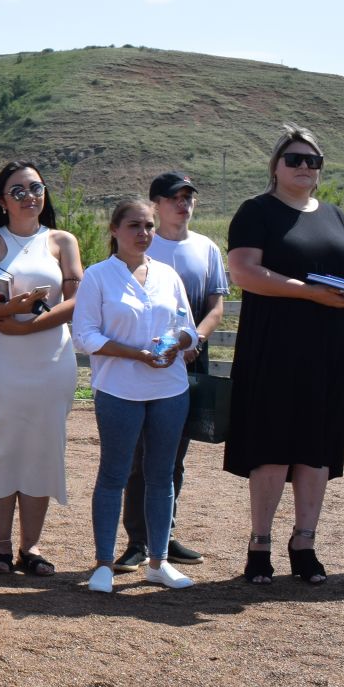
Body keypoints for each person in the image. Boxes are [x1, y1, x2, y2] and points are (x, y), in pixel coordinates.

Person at [224, 125, 344, 586]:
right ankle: (260, 544)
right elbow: (245, 271)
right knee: (271, 446)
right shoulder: (257, 211)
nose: (305, 167)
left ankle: (305, 542)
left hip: (328, 347)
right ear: (276, 165)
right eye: (295, 159)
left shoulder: (336, 215)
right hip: (274, 346)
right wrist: (310, 293)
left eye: (313, 160)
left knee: (317, 444)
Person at [0, 162, 82, 577]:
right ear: (1, 201)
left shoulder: (62, 241)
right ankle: (1, 547)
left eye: (36, 187)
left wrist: (30, 325)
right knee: (2, 450)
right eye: (19, 190)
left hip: (51, 362)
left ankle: (33, 545)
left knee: (44, 450)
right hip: (1, 365)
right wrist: (8, 312)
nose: (30, 196)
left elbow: (78, 299)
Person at [73, 199, 199, 593]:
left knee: (162, 476)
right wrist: (135, 354)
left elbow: (189, 328)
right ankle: (103, 564)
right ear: (114, 230)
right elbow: (85, 335)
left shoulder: (167, 274)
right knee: (115, 474)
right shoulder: (98, 276)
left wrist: (177, 343)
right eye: (134, 226)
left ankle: (158, 562)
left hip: (168, 388)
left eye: (148, 226)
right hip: (118, 389)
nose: (143, 233)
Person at [114, 172, 229, 571]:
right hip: (147, 358)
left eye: (188, 197)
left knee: (174, 452)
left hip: (191, 355)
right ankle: (136, 541)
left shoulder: (207, 248)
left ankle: (164, 534)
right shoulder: (142, 242)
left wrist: (194, 339)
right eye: (174, 197)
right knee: (138, 454)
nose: (183, 204)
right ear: (155, 203)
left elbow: (216, 305)